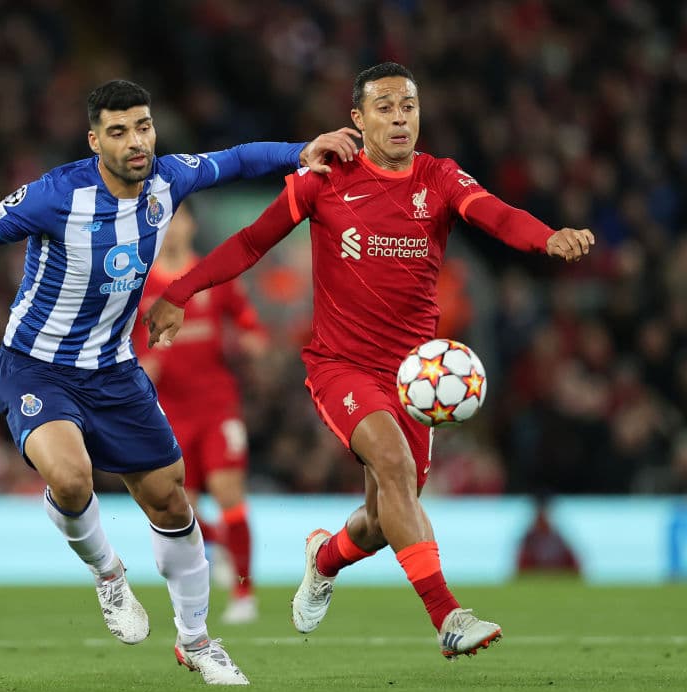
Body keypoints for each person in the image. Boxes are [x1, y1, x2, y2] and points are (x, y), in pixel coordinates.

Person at [0, 79, 358, 684]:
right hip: (37, 366)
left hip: (114, 369)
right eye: (120, 131)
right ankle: (109, 575)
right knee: (73, 477)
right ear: (94, 139)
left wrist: (300, 150)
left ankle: (197, 640)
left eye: (144, 126)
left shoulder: (169, 178)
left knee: (171, 499)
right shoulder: (56, 197)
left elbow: (236, 160)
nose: (137, 142)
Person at [144, 62, 594, 660]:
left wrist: (546, 236)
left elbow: (497, 213)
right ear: (357, 119)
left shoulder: (440, 178)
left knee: (385, 516)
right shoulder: (325, 179)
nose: (400, 117)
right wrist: (180, 291)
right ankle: (448, 617)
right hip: (341, 366)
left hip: (416, 376)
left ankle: (325, 557)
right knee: (392, 464)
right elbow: (252, 241)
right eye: (384, 106)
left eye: (408, 105)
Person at [132, 202, 265, 625]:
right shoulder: (140, 287)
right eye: (162, 223)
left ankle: (244, 593)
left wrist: (252, 340)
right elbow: (131, 346)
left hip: (216, 405)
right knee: (179, 506)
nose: (171, 229)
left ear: (191, 224)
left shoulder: (213, 276)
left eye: (178, 219)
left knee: (229, 494)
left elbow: (249, 324)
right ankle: (226, 546)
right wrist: (143, 365)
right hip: (168, 413)